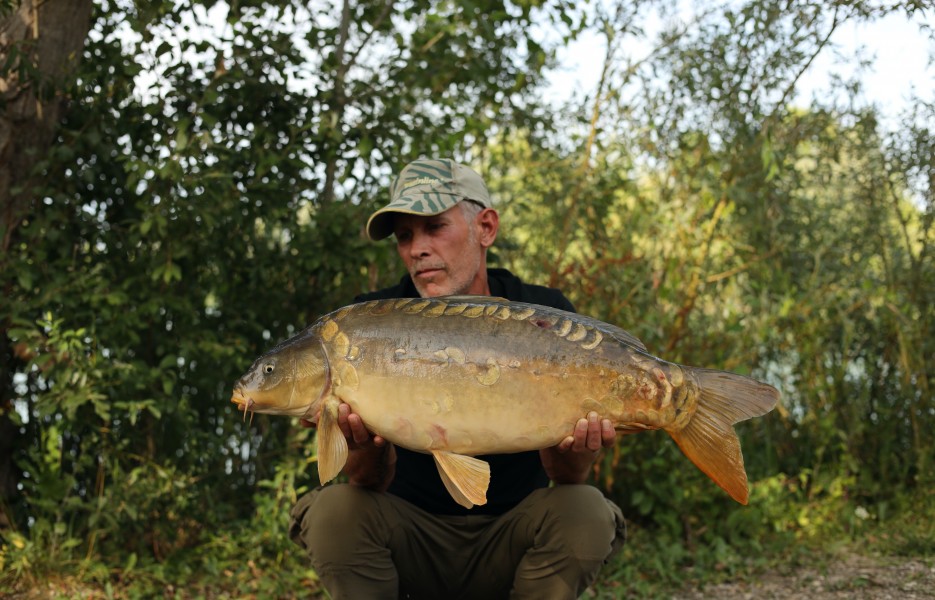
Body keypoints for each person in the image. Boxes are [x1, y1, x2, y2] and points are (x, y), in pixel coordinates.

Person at [289, 158, 626, 599]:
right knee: (335, 511)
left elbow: (567, 476)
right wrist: (358, 446)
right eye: (405, 236)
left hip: (513, 539)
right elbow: (367, 484)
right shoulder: (370, 323)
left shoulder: (545, 317)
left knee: (585, 510)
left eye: (434, 227)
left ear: (485, 227)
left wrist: (579, 448)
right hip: (413, 540)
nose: (417, 249)